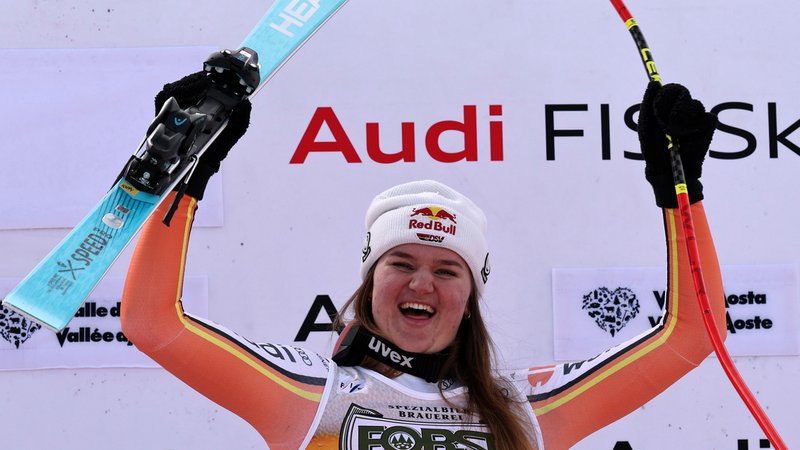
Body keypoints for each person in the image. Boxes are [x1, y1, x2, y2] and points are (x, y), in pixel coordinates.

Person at [121, 72, 724, 449]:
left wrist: (679, 190)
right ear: (369, 280)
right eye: (401, 262)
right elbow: (154, 324)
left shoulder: (526, 413)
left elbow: (693, 336)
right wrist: (185, 170)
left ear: (469, 297)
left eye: (446, 269)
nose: (421, 283)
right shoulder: (312, 397)